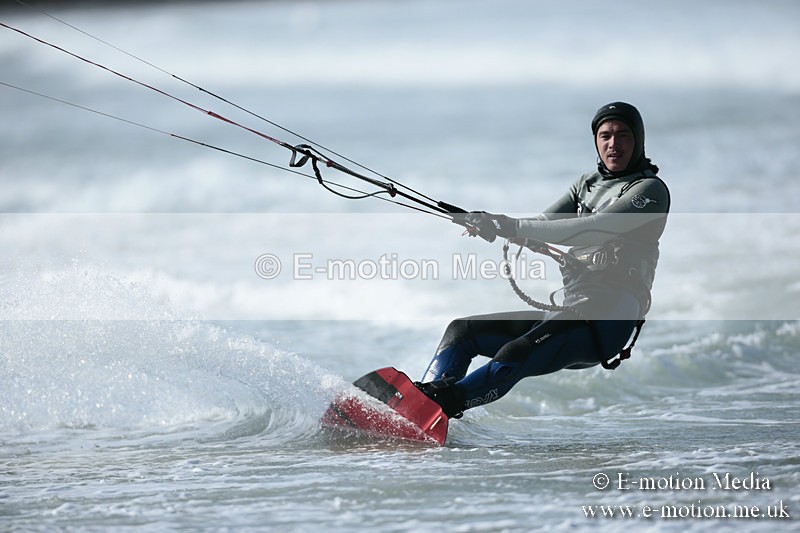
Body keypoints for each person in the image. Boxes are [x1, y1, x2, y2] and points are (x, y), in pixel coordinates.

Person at [417, 102, 670, 419]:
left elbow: (590, 230)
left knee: (517, 352)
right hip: (574, 307)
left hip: (610, 317)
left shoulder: (650, 191)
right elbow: (544, 223)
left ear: (638, 141)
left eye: (622, 135)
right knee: (462, 331)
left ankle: (442, 405)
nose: (613, 144)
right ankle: (420, 405)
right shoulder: (586, 185)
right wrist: (492, 223)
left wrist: (511, 225)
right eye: (605, 135)